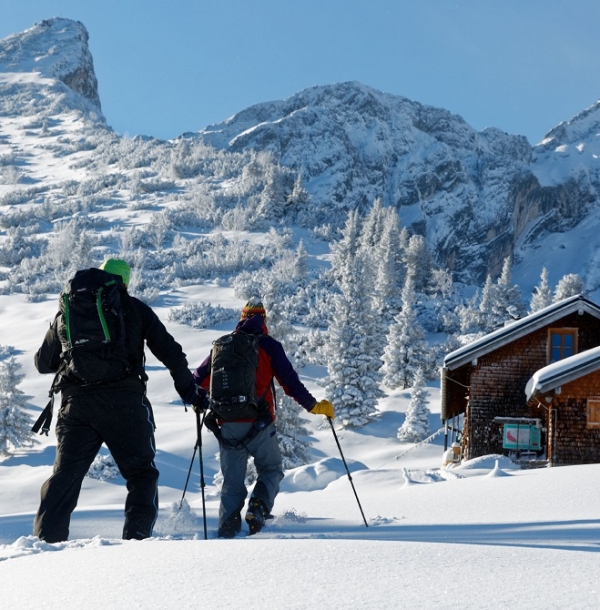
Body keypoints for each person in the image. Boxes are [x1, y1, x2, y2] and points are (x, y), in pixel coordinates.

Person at [33, 258, 205, 542]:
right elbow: (170, 352)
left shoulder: (67, 312)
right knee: (141, 476)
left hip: (76, 406)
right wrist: (190, 392)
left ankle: (44, 543)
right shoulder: (135, 308)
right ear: (124, 282)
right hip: (125, 404)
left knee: (64, 479)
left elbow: (43, 363)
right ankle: (135, 543)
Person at [193, 297, 334, 538]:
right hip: (260, 423)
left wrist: (200, 403)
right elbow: (291, 384)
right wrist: (314, 407)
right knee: (271, 469)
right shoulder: (269, 346)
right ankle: (257, 508)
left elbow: (198, 379)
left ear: (241, 318)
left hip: (227, 424)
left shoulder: (222, 345)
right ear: (263, 320)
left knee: (232, 482)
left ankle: (227, 528)